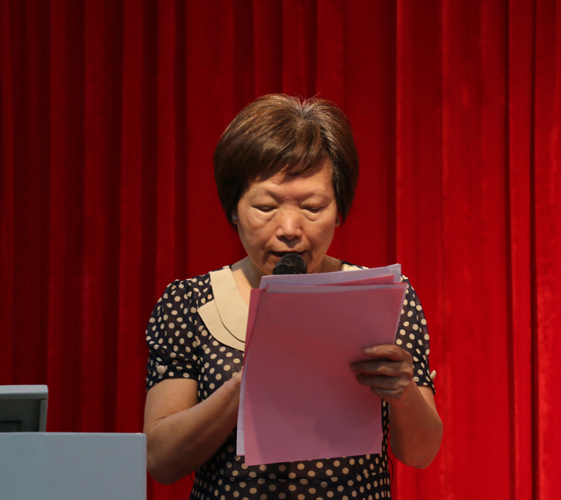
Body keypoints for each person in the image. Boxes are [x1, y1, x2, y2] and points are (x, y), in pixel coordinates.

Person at [143, 94, 442, 500]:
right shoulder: (189, 304)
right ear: (234, 209)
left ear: (339, 210)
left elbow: (421, 454)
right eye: (265, 207)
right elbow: (161, 461)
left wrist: (404, 393)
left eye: (312, 207)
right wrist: (246, 383)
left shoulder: (383, 297)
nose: (288, 228)